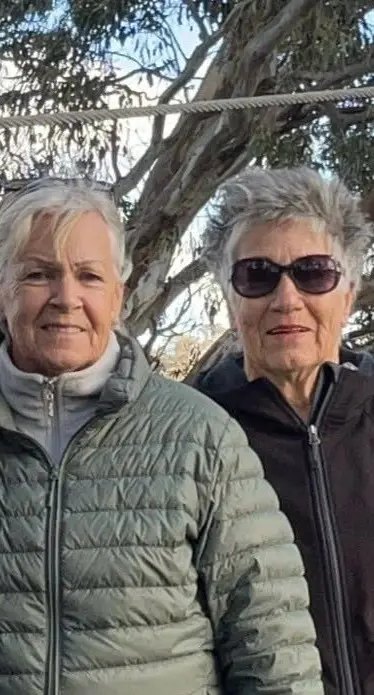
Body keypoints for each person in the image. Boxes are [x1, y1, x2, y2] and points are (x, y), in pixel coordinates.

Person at [0, 177, 323, 693]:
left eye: (89, 276)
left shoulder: (200, 436)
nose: (66, 298)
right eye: (39, 274)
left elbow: (273, 646)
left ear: (118, 294)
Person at [193, 166, 374, 695]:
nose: (286, 298)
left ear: (349, 291)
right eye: (258, 275)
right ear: (230, 297)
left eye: (313, 272)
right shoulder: (189, 440)